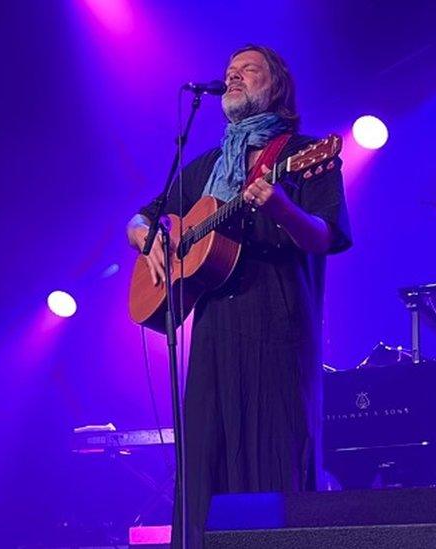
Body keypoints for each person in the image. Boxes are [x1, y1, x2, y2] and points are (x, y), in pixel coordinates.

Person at [126, 44, 352, 548]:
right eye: (229, 72)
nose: (232, 77)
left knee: (274, 455)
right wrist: (146, 236)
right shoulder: (208, 164)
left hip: (277, 322)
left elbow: (324, 236)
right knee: (206, 458)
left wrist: (282, 208)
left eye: (247, 70)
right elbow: (140, 216)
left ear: (276, 86)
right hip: (213, 332)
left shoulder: (303, 154)